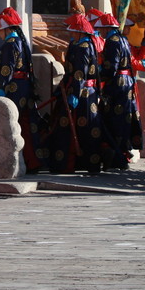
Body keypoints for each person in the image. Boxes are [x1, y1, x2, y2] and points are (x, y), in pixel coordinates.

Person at [94, 12, 145, 169]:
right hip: (127, 82)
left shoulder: (111, 41)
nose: (101, 33)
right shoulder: (124, 39)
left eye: (102, 29)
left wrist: (98, 75)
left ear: (107, 29)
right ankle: (123, 152)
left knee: (112, 121)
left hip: (117, 85)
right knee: (123, 120)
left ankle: (117, 156)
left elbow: (111, 67)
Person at [0, 7, 41, 172]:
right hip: (25, 87)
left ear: (6, 29)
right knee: (26, 124)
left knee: (15, 124)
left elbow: (6, 70)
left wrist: (0, 88)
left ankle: (22, 162)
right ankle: (33, 161)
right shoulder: (21, 41)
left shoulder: (10, 44)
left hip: (15, 88)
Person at [55, 13, 105, 174]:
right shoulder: (86, 44)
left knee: (78, 128)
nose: (71, 34)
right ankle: (87, 163)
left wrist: (74, 94)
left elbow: (79, 73)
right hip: (87, 92)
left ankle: (70, 163)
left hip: (82, 93)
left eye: (73, 31)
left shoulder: (82, 48)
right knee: (86, 128)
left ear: (79, 32)